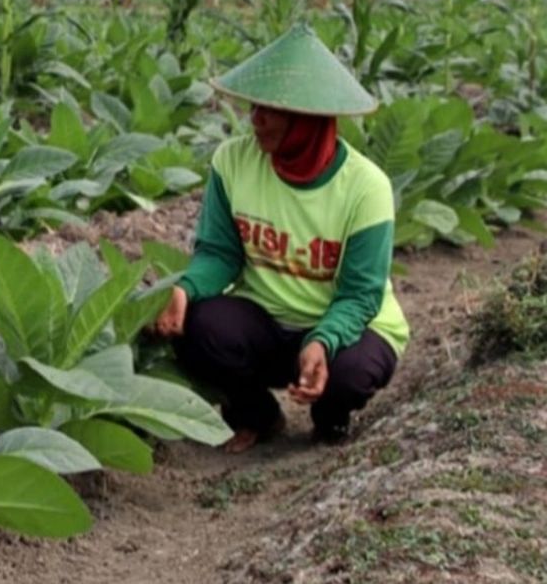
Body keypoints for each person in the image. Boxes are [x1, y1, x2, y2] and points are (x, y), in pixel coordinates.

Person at [154, 25, 409, 453]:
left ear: (309, 120)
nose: (255, 119)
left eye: (271, 110)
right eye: (254, 107)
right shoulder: (232, 161)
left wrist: (323, 339)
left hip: (348, 325)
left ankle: (330, 420)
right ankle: (256, 416)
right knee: (199, 327)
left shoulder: (367, 187)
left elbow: (361, 294)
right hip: (268, 321)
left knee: (349, 374)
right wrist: (186, 287)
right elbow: (219, 253)